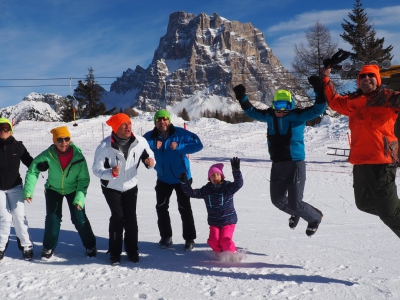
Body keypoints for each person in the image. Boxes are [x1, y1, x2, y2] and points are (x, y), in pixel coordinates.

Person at [317, 64, 400, 238]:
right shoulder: (354, 101)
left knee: (388, 213)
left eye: (371, 76)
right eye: (363, 76)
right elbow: (334, 102)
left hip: (382, 163)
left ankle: (391, 211)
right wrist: (325, 78)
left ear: (377, 80)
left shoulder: (389, 98)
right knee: (363, 204)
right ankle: (391, 210)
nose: (366, 79)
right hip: (360, 163)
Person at [233, 85, 326, 236]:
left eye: (286, 106)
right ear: (273, 105)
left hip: (295, 164)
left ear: (291, 106)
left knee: (295, 203)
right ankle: (296, 212)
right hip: (277, 165)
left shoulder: (298, 116)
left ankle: (314, 218)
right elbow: (251, 111)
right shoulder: (269, 116)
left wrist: (319, 90)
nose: (281, 110)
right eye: (278, 105)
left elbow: (318, 109)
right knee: (277, 200)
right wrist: (241, 97)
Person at [24, 126, 96, 260]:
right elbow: (33, 170)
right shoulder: (48, 154)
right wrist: (28, 191)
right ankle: (49, 246)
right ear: (54, 141)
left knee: (79, 218)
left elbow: (84, 179)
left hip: (74, 189)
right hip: (53, 189)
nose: (64, 142)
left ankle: (90, 245)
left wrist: (80, 199)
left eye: (66, 139)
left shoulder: (78, 156)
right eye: (60, 140)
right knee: (53, 218)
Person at [92, 113, 155, 266]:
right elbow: (96, 169)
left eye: (129, 123)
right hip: (111, 187)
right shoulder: (105, 146)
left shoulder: (140, 142)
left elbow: (149, 155)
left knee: (131, 218)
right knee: (118, 216)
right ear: (116, 127)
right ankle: (115, 253)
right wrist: (110, 172)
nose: (128, 127)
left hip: (131, 186)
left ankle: (132, 251)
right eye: (123, 124)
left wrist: (150, 162)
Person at [143, 109, 203, 251]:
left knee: (184, 208)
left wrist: (180, 147)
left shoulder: (180, 134)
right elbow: (140, 151)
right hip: (163, 178)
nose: (162, 122)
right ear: (155, 122)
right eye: (159, 120)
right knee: (161, 207)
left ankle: (189, 239)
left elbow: (198, 144)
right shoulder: (149, 137)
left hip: (182, 178)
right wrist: (152, 147)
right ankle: (166, 237)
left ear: (169, 120)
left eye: (164, 119)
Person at [179, 158, 243, 260]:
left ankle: (234, 254)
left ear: (221, 176)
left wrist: (236, 171)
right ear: (209, 178)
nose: (215, 177)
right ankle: (219, 254)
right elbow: (191, 193)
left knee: (225, 240)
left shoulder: (227, 188)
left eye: (217, 174)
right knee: (213, 241)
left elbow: (238, 184)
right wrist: (184, 183)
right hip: (214, 222)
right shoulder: (206, 190)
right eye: (213, 175)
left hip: (228, 220)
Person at [0, 118, 34, 261]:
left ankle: (27, 246)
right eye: (0, 128)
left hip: (15, 187)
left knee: (19, 217)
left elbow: (30, 162)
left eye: (6, 127)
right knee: (4, 218)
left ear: (11, 129)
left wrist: (41, 165)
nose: (3, 130)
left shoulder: (18, 146)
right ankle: (1, 247)